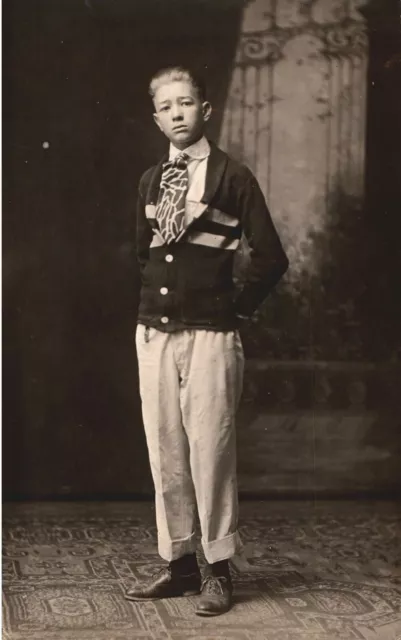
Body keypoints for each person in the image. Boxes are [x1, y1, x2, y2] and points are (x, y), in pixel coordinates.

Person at [125, 65, 289, 616]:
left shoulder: (232, 177)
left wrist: (233, 309)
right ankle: (179, 565)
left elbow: (271, 258)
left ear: (206, 111)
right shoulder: (150, 180)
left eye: (186, 103)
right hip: (156, 335)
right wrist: (156, 312)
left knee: (210, 452)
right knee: (164, 449)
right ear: (156, 118)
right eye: (167, 106)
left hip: (211, 337)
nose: (177, 114)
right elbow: (140, 255)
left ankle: (218, 569)